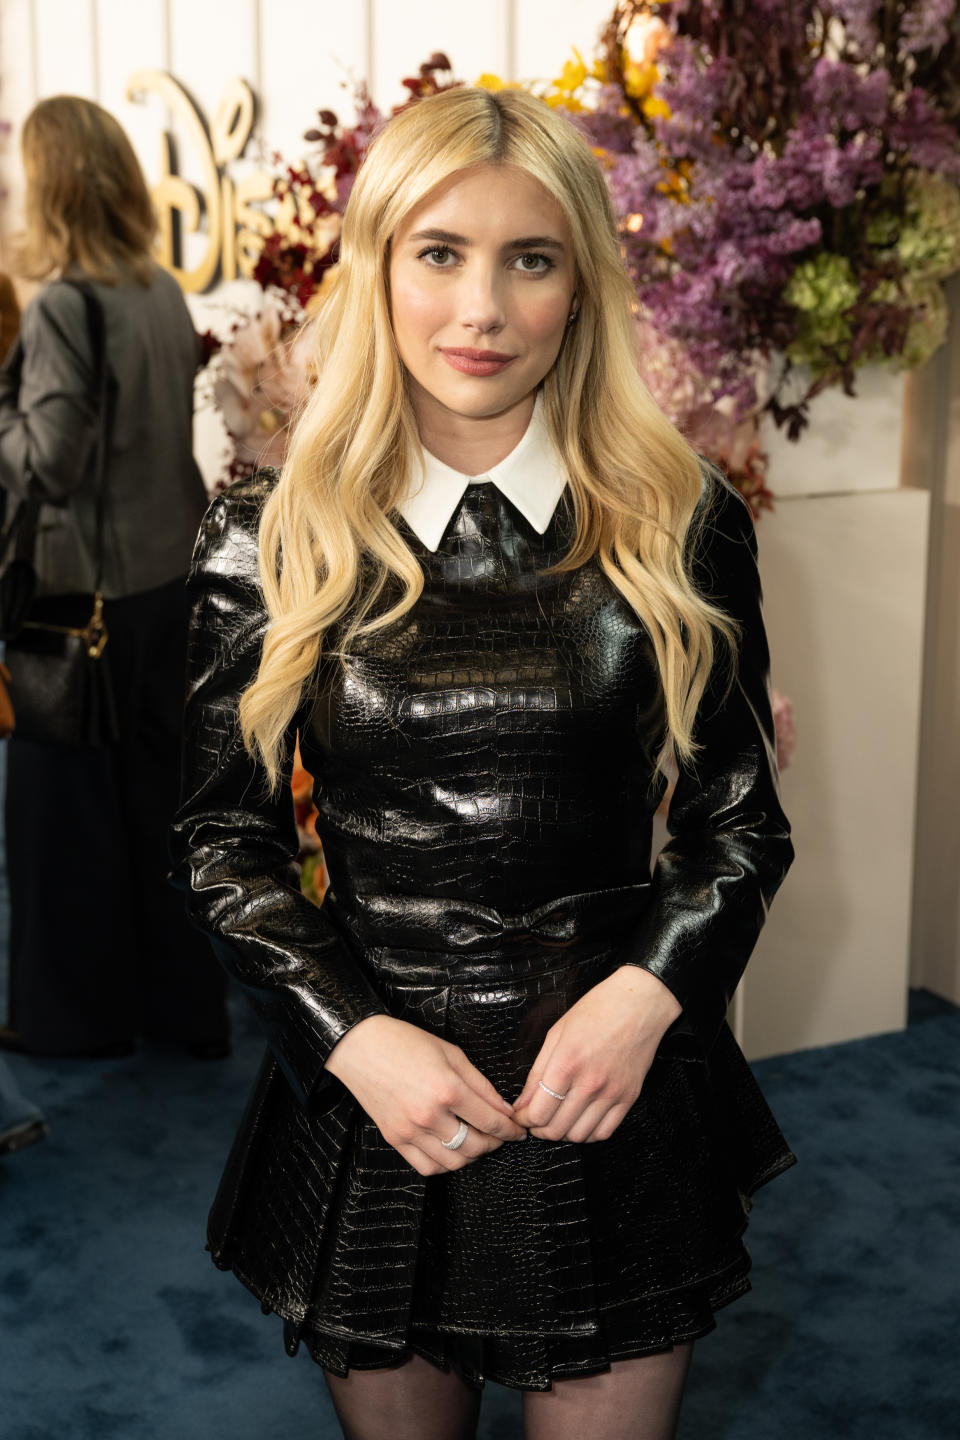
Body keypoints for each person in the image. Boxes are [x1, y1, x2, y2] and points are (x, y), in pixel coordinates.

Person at [170, 86, 795, 1440]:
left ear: (581, 285)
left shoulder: (682, 520)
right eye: (440, 253)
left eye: (531, 258)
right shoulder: (268, 536)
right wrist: (356, 1039)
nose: (483, 311)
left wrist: (646, 1000)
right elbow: (222, 845)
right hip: (383, 1099)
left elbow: (742, 830)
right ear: (378, 263)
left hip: (611, 1090)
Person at [0, 96, 228, 1059]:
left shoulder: (64, 303)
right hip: (164, 588)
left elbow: (47, 463)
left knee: (59, 826)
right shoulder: (159, 289)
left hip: (78, 602)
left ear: (52, 185)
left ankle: (74, 1022)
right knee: (158, 812)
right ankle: (179, 1010)